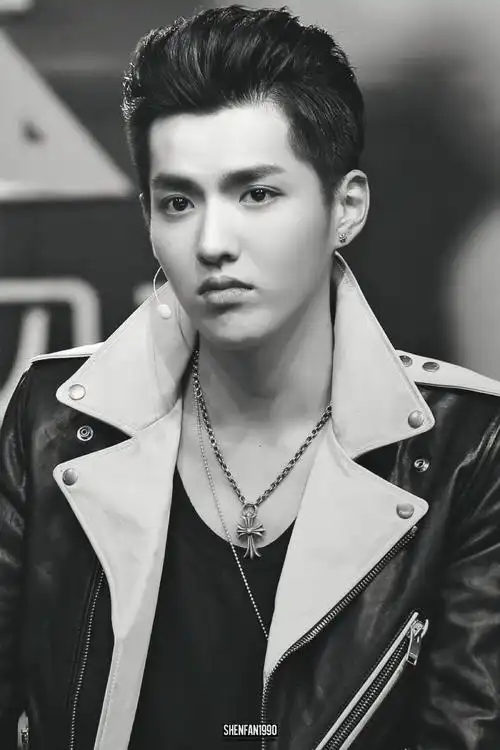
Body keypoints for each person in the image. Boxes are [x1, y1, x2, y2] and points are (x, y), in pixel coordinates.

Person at [2, 5, 500, 749]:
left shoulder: (466, 445)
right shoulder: (55, 420)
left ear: (346, 208)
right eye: (178, 202)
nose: (212, 242)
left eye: (257, 194)